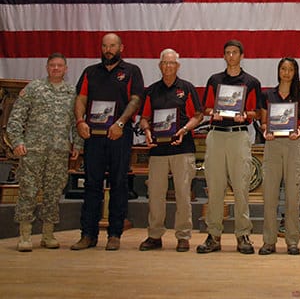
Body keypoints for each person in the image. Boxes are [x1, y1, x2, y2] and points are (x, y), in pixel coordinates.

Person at [71, 33, 144, 251]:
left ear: (122, 47)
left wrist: (120, 123)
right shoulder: (90, 72)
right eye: (105, 46)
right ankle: (88, 234)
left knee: (119, 183)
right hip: (93, 137)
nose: (108, 50)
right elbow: (81, 98)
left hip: (119, 135)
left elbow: (136, 100)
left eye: (112, 46)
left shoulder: (131, 71)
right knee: (92, 184)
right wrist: (80, 122)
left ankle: (114, 234)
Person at [7, 53, 83, 252]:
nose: (56, 69)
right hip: (32, 151)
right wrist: (17, 142)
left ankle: (48, 234)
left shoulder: (71, 92)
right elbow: (15, 117)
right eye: (52, 65)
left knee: (53, 193)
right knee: (28, 192)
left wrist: (77, 145)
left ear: (66, 69)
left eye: (60, 66)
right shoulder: (34, 88)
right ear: (47, 67)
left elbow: (77, 122)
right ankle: (25, 235)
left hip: (58, 152)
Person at [196, 39, 262, 255]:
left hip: (238, 136)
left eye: (235, 52)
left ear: (242, 55)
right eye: (227, 52)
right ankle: (213, 235)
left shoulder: (251, 82)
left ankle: (243, 234)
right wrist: (211, 113)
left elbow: (257, 113)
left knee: (242, 188)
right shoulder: (215, 80)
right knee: (215, 188)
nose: (231, 56)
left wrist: (245, 115)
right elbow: (205, 108)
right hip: (216, 136)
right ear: (224, 56)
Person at [137, 49, 203, 252]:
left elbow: (198, 116)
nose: (168, 66)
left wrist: (184, 129)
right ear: (159, 66)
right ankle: (155, 235)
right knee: (155, 194)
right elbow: (144, 118)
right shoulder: (151, 91)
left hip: (182, 148)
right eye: (164, 63)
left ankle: (183, 236)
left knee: (183, 194)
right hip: (157, 150)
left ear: (178, 66)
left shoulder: (187, 88)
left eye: (171, 63)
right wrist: (147, 131)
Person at [258, 57, 300, 255]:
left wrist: (298, 130)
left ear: (295, 72)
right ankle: (269, 241)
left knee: (292, 195)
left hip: (293, 145)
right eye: (283, 68)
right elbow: (264, 123)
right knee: (270, 195)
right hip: (272, 145)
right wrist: (266, 131)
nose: (286, 72)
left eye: (290, 69)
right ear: (278, 71)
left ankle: (292, 241)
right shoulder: (268, 95)